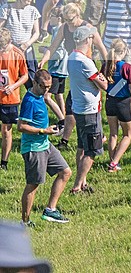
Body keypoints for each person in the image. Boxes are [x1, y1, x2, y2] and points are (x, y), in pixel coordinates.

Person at [39, 0, 107, 152]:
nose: (68, 23)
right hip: (73, 67)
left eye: (70, 20)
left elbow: (102, 48)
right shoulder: (64, 28)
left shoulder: (89, 29)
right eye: (66, 20)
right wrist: (43, 60)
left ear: (78, 15)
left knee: (81, 105)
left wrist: (107, 67)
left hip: (87, 69)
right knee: (75, 105)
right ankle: (75, 138)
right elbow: (53, 46)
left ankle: (92, 137)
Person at [19, 70, 71, 225]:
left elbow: (47, 101)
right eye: (44, 87)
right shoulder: (29, 101)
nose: (47, 90)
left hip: (45, 144)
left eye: (49, 87)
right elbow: (21, 126)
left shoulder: (41, 96)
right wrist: (44, 131)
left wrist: (58, 123)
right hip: (33, 148)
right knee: (33, 184)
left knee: (65, 172)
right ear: (35, 83)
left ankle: (50, 210)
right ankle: (25, 222)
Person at [67, 25, 108, 193]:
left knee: (81, 146)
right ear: (87, 40)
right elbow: (104, 84)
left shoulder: (71, 57)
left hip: (78, 108)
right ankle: (78, 185)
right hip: (90, 110)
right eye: (91, 38)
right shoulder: (86, 62)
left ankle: (82, 181)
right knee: (91, 150)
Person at [104, 39, 131, 172]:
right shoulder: (127, 67)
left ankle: (112, 161)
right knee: (128, 135)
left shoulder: (106, 66)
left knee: (113, 134)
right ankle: (114, 163)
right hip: (123, 103)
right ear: (123, 52)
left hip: (110, 102)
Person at [0, 29, 29, 170]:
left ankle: (4, 162)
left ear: (9, 42)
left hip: (9, 98)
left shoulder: (17, 54)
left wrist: (13, 86)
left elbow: (25, 75)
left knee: (6, 130)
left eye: (2, 47)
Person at [0, 0, 41, 81]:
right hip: (10, 48)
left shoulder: (33, 10)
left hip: (27, 48)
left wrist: (27, 44)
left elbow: (36, 33)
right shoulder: (6, 8)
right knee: (8, 77)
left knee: (31, 77)